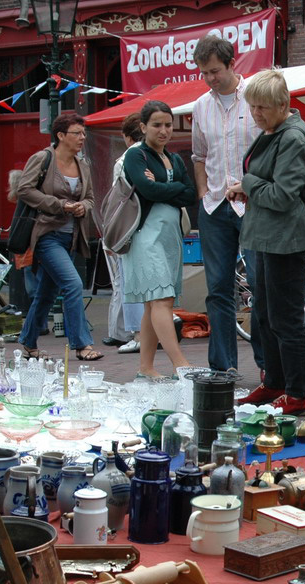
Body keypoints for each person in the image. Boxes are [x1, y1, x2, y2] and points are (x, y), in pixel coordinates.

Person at [225, 69, 305, 416]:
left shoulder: (293, 137)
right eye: (252, 108)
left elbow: (282, 196)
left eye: (263, 107)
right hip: (265, 235)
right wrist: (248, 186)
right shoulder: (275, 131)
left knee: (286, 317)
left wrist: (247, 184)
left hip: (285, 238)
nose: (257, 114)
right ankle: (275, 381)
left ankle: (298, 393)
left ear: (284, 104)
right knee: (264, 313)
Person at [190, 35, 263, 375]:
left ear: (232, 64)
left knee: (261, 287)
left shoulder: (255, 98)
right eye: (204, 72)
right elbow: (198, 155)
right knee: (217, 290)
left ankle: (268, 367)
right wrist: (204, 191)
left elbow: (268, 149)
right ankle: (223, 369)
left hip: (253, 205)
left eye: (215, 71)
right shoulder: (201, 106)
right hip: (216, 206)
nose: (209, 79)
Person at [16, 114, 102, 361]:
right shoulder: (43, 159)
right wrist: (60, 204)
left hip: (72, 238)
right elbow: (24, 189)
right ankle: (82, 344)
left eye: (84, 134)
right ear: (61, 135)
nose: (82, 138)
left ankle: (29, 342)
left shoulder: (83, 165)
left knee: (46, 292)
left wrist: (83, 206)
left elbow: (91, 198)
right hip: (46, 235)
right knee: (73, 284)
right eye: (77, 133)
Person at [121, 100, 197, 378]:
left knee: (153, 303)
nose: (164, 131)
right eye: (157, 125)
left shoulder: (175, 158)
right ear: (143, 127)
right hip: (144, 234)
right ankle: (180, 364)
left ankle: (146, 368)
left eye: (168, 124)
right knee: (162, 299)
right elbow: (146, 190)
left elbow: (190, 193)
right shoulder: (136, 155)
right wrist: (169, 188)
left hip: (169, 235)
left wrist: (162, 186)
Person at [103, 113, 146, 354]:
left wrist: (112, 236)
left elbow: (118, 201)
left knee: (126, 281)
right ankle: (136, 331)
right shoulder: (159, 155)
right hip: (154, 226)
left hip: (129, 228)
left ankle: (131, 333)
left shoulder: (124, 160)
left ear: (128, 137)